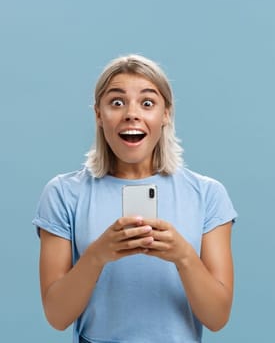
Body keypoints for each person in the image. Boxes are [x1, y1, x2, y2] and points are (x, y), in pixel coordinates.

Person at [33, 54, 238, 343]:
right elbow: (57, 316)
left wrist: (183, 256)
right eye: (116, 102)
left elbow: (217, 318)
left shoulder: (207, 194)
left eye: (147, 103)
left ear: (166, 114)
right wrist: (97, 255)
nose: (131, 113)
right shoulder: (63, 193)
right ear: (98, 115)